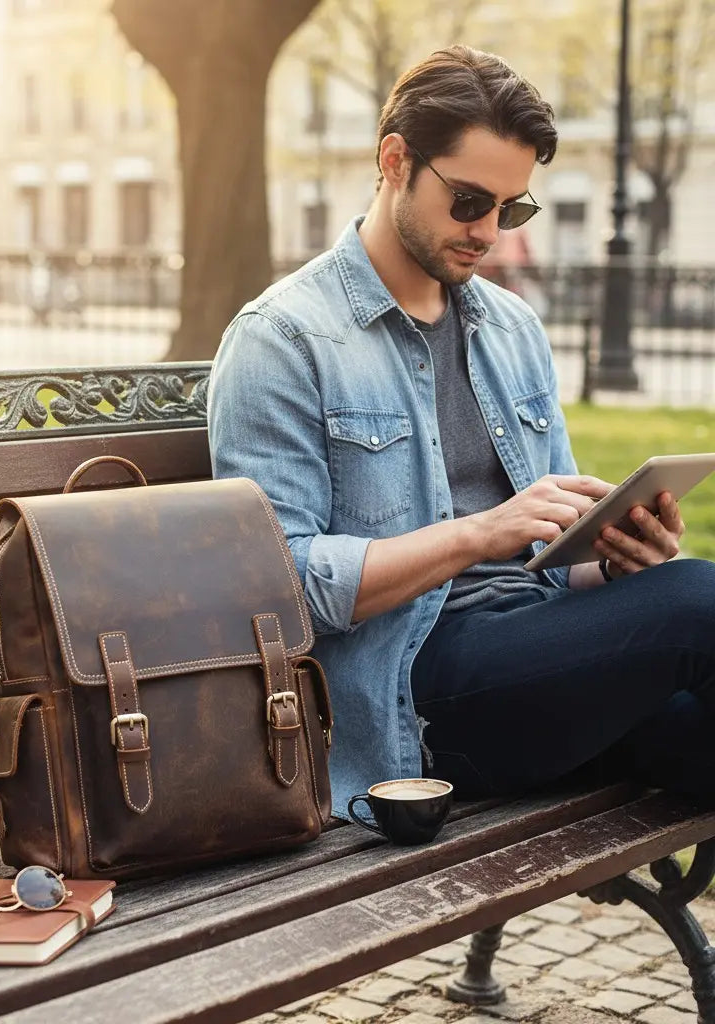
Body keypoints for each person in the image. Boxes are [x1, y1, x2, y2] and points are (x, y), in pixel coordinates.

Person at [207, 45, 715, 819]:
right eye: (470, 200)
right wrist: (478, 534)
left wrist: (612, 564)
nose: (489, 232)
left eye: (512, 210)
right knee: (697, 602)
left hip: (538, 665)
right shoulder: (285, 338)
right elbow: (280, 589)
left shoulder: (510, 327)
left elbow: (553, 554)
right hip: (419, 699)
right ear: (394, 161)